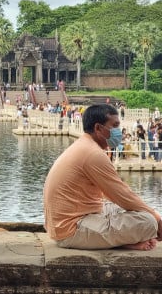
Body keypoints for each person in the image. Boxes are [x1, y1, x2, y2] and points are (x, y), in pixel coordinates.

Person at [43, 104, 162, 250]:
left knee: (136, 210)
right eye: (115, 126)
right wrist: (156, 217)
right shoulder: (92, 154)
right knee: (148, 222)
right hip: (71, 231)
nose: (118, 131)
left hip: (73, 220)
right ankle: (126, 242)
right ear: (98, 128)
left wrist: (147, 211)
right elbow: (122, 194)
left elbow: (116, 196)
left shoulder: (84, 145)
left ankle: (126, 240)